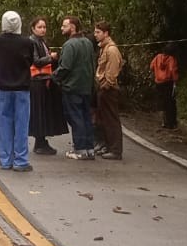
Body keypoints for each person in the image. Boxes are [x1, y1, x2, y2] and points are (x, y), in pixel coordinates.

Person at [0, 11, 35, 171]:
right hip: (22, 87)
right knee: (21, 124)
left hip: (3, 87)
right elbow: (30, 61)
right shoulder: (27, 42)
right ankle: (21, 160)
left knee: (4, 124)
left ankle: (5, 159)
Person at [53, 16, 97, 160]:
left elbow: (65, 67)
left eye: (64, 26)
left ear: (72, 27)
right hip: (86, 86)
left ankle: (80, 148)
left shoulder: (69, 45)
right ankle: (90, 148)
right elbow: (92, 64)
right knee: (86, 117)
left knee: (75, 117)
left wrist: (54, 77)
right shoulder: (88, 43)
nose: (62, 28)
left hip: (72, 87)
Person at [27, 16, 67, 157]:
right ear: (33, 28)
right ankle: (40, 142)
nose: (43, 29)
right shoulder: (32, 42)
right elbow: (36, 61)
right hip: (37, 81)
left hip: (44, 80)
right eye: (40, 27)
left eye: (44, 27)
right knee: (39, 112)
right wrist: (51, 57)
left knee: (43, 112)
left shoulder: (41, 41)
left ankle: (42, 141)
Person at [92, 20, 124, 160]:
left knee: (111, 120)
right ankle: (108, 145)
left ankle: (116, 149)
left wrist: (105, 86)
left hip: (108, 90)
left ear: (106, 33)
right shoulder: (103, 48)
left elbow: (111, 73)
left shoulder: (111, 50)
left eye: (98, 32)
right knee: (102, 120)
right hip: (102, 88)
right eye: (95, 32)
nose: (95, 35)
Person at [150, 44, 180, 129]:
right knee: (170, 102)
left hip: (158, 83)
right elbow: (173, 70)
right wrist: (175, 81)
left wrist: (157, 72)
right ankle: (170, 123)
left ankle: (163, 121)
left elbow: (151, 66)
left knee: (161, 102)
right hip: (168, 83)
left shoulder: (157, 57)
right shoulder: (171, 59)